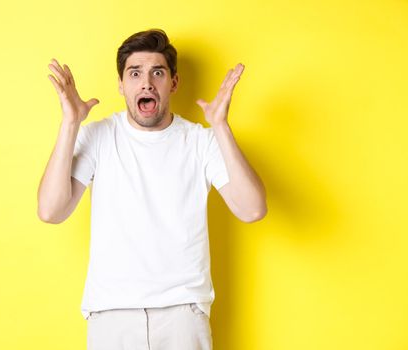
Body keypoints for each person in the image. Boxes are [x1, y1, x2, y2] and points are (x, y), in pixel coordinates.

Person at [37, 29, 267, 350]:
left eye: (157, 72)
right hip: (111, 314)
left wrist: (221, 127)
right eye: (135, 73)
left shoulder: (202, 141)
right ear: (121, 84)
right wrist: (70, 124)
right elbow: (51, 210)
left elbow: (252, 209)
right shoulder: (98, 137)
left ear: (173, 83)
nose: (146, 82)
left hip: (183, 315)